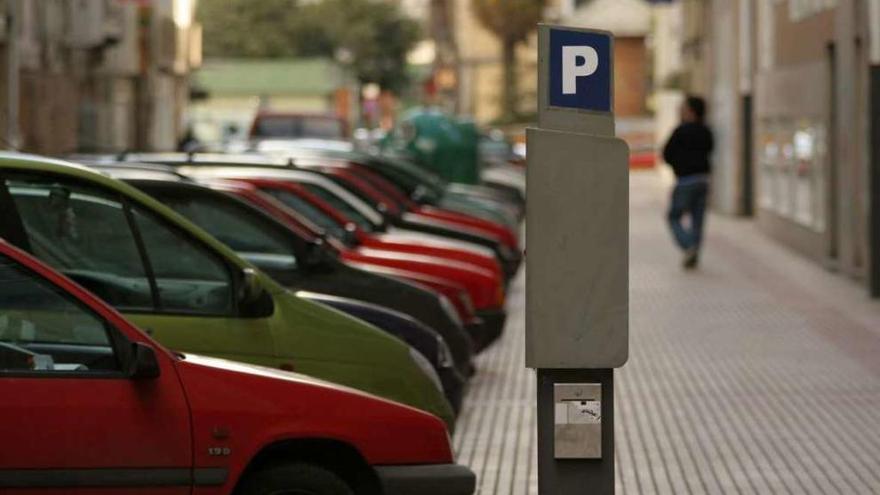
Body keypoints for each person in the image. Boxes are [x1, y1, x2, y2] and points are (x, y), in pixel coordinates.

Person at [662, 95, 714, 269]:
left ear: (690, 111)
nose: (680, 111)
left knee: (673, 216)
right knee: (697, 221)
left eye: (683, 108)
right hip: (703, 180)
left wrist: (679, 165)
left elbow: (666, 154)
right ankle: (694, 255)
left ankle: (688, 246)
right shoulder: (706, 131)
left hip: (685, 181)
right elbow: (710, 149)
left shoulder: (681, 131)